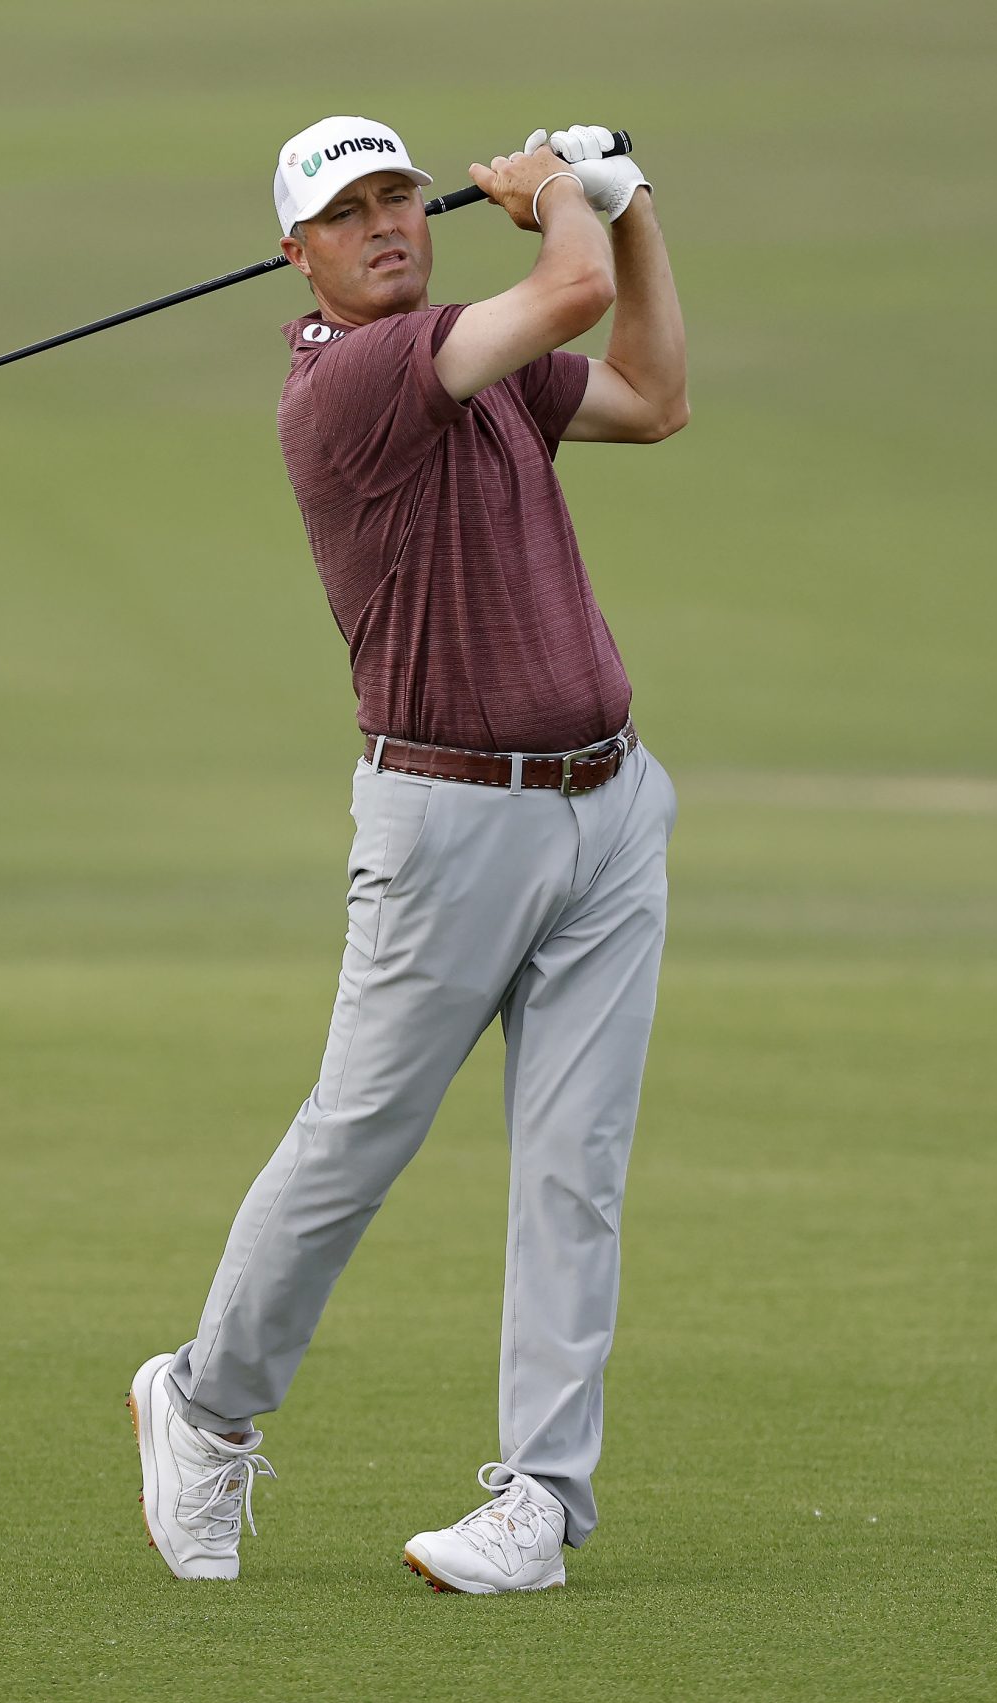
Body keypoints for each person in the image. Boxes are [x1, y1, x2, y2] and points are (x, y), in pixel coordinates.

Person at [128, 114, 688, 1594]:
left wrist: (627, 215)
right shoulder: (361, 377)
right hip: (451, 823)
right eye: (349, 210)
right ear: (296, 258)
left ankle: (540, 1508)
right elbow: (563, 300)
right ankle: (202, 1400)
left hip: (609, 805)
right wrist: (565, 196)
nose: (387, 221)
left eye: (400, 195)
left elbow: (647, 392)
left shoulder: (471, 361)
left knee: (578, 1169)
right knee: (357, 1139)